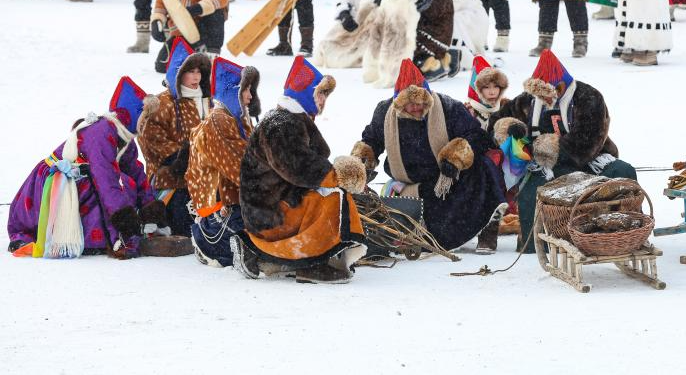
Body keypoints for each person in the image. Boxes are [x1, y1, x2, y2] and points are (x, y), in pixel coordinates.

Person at [234, 56, 367, 284]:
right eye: (320, 94)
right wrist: (338, 176)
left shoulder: (290, 119)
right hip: (268, 213)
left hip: (276, 203)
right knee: (334, 198)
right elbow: (299, 167)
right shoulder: (281, 124)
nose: (323, 101)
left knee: (331, 193)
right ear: (306, 93)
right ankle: (312, 263)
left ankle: (305, 258)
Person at [487, 50, 636, 252]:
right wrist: (510, 126)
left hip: (589, 159)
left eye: (546, 93)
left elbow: (587, 142)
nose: (542, 98)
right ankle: (535, 246)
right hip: (542, 164)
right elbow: (496, 121)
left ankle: (628, 234)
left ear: (561, 86)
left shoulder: (588, 97)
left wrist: (551, 148)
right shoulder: (529, 100)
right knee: (530, 193)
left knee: (623, 173)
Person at [352, 59, 506, 251]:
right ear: (399, 103)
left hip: (445, 179)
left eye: (421, 102)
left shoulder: (449, 107)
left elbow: (477, 136)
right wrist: (359, 164)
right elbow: (371, 140)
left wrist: (455, 157)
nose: (416, 107)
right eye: (410, 104)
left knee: (484, 165)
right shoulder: (384, 111)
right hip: (408, 184)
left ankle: (488, 226)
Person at [7, 77, 169, 259]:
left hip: (81, 176)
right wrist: (123, 225)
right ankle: (99, 240)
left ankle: (114, 234)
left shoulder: (125, 138)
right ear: (131, 115)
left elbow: (136, 172)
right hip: (57, 181)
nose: (146, 122)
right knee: (117, 184)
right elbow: (106, 181)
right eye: (144, 116)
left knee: (128, 181)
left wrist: (151, 210)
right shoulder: (102, 133)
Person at [187, 58, 260, 267]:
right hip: (223, 211)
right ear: (232, 91)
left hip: (238, 202)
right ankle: (206, 239)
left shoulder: (237, 120)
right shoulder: (218, 121)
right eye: (245, 90)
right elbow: (239, 169)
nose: (250, 96)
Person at [136, 39, 211, 236]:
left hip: (206, 172)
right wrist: (178, 156)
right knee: (184, 225)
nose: (196, 77)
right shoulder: (163, 102)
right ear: (178, 74)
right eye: (190, 72)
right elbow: (148, 136)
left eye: (198, 72)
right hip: (171, 175)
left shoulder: (209, 100)